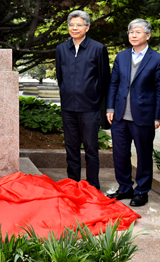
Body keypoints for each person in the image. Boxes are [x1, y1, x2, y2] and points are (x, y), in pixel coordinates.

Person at [106, 19, 160, 207]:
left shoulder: (158, 59)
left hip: (144, 115)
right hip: (120, 116)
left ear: (148, 35)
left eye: (138, 32)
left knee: (143, 154)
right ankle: (124, 187)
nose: (133, 35)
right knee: (120, 154)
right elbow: (114, 83)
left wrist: (157, 116)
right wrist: (110, 108)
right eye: (131, 32)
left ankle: (142, 191)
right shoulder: (121, 56)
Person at [55, 10, 110, 190]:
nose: (74, 28)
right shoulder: (62, 48)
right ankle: (73, 183)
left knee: (91, 149)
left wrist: (94, 99)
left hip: (89, 108)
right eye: (71, 24)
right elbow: (60, 76)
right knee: (71, 148)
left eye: (79, 25)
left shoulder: (98, 48)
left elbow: (104, 79)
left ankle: (92, 186)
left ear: (87, 27)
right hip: (68, 108)